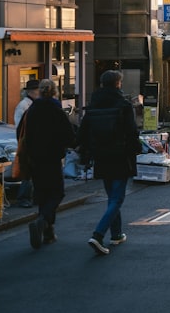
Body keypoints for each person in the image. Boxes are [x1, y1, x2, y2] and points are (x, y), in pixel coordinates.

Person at [79, 70, 140, 256]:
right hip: (121, 156)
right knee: (117, 198)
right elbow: (132, 132)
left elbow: (83, 133)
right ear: (117, 84)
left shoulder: (93, 106)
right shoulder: (123, 105)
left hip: (101, 156)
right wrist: (136, 150)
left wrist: (86, 154)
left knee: (111, 197)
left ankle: (116, 234)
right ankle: (98, 235)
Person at [22, 78, 76, 249]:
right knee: (57, 193)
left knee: (43, 193)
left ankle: (47, 232)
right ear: (54, 92)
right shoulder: (56, 111)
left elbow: (21, 133)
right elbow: (68, 135)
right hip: (52, 158)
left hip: (34, 159)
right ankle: (43, 220)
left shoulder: (31, 111)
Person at [12, 79, 40, 208]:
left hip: (31, 143)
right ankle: (23, 198)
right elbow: (20, 127)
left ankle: (32, 197)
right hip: (27, 143)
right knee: (27, 174)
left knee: (32, 173)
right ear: (32, 92)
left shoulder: (33, 104)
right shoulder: (24, 105)